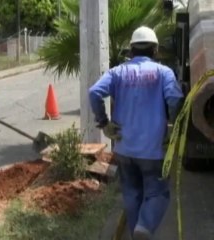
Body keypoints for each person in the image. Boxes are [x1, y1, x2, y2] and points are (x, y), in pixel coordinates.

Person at [89, 26, 183, 240]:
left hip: (124, 149)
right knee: (157, 193)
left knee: (131, 196)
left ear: (131, 50)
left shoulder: (117, 72)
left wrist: (104, 122)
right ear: (156, 50)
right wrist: (173, 126)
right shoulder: (163, 73)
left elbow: (94, 92)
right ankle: (145, 226)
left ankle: (136, 233)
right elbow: (176, 99)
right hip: (153, 151)